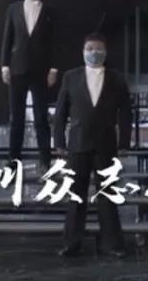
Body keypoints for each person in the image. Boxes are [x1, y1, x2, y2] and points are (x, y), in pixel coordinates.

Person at [53, 33, 132, 258]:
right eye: (89, 48)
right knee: (75, 195)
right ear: (83, 51)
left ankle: (113, 244)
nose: (94, 52)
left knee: (108, 194)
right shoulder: (70, 77)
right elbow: (60, 112)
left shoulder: (117, 78)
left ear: (105, 51)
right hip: (78, 143)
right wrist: (58, 141)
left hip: (106, 143)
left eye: (98, 48)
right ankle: (71, 243)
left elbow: (126, 113)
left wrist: (124, 143)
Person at [0, 0, 59, 169]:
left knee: (41, 117)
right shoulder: (13, 9)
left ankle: (45, 160)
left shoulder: (49, 11)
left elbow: (54, 42)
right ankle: (13, 160)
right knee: (16, 117)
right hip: (17, 68)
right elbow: (7, 38)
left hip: (41, 70)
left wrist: (53, 68)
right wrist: (5, 65)